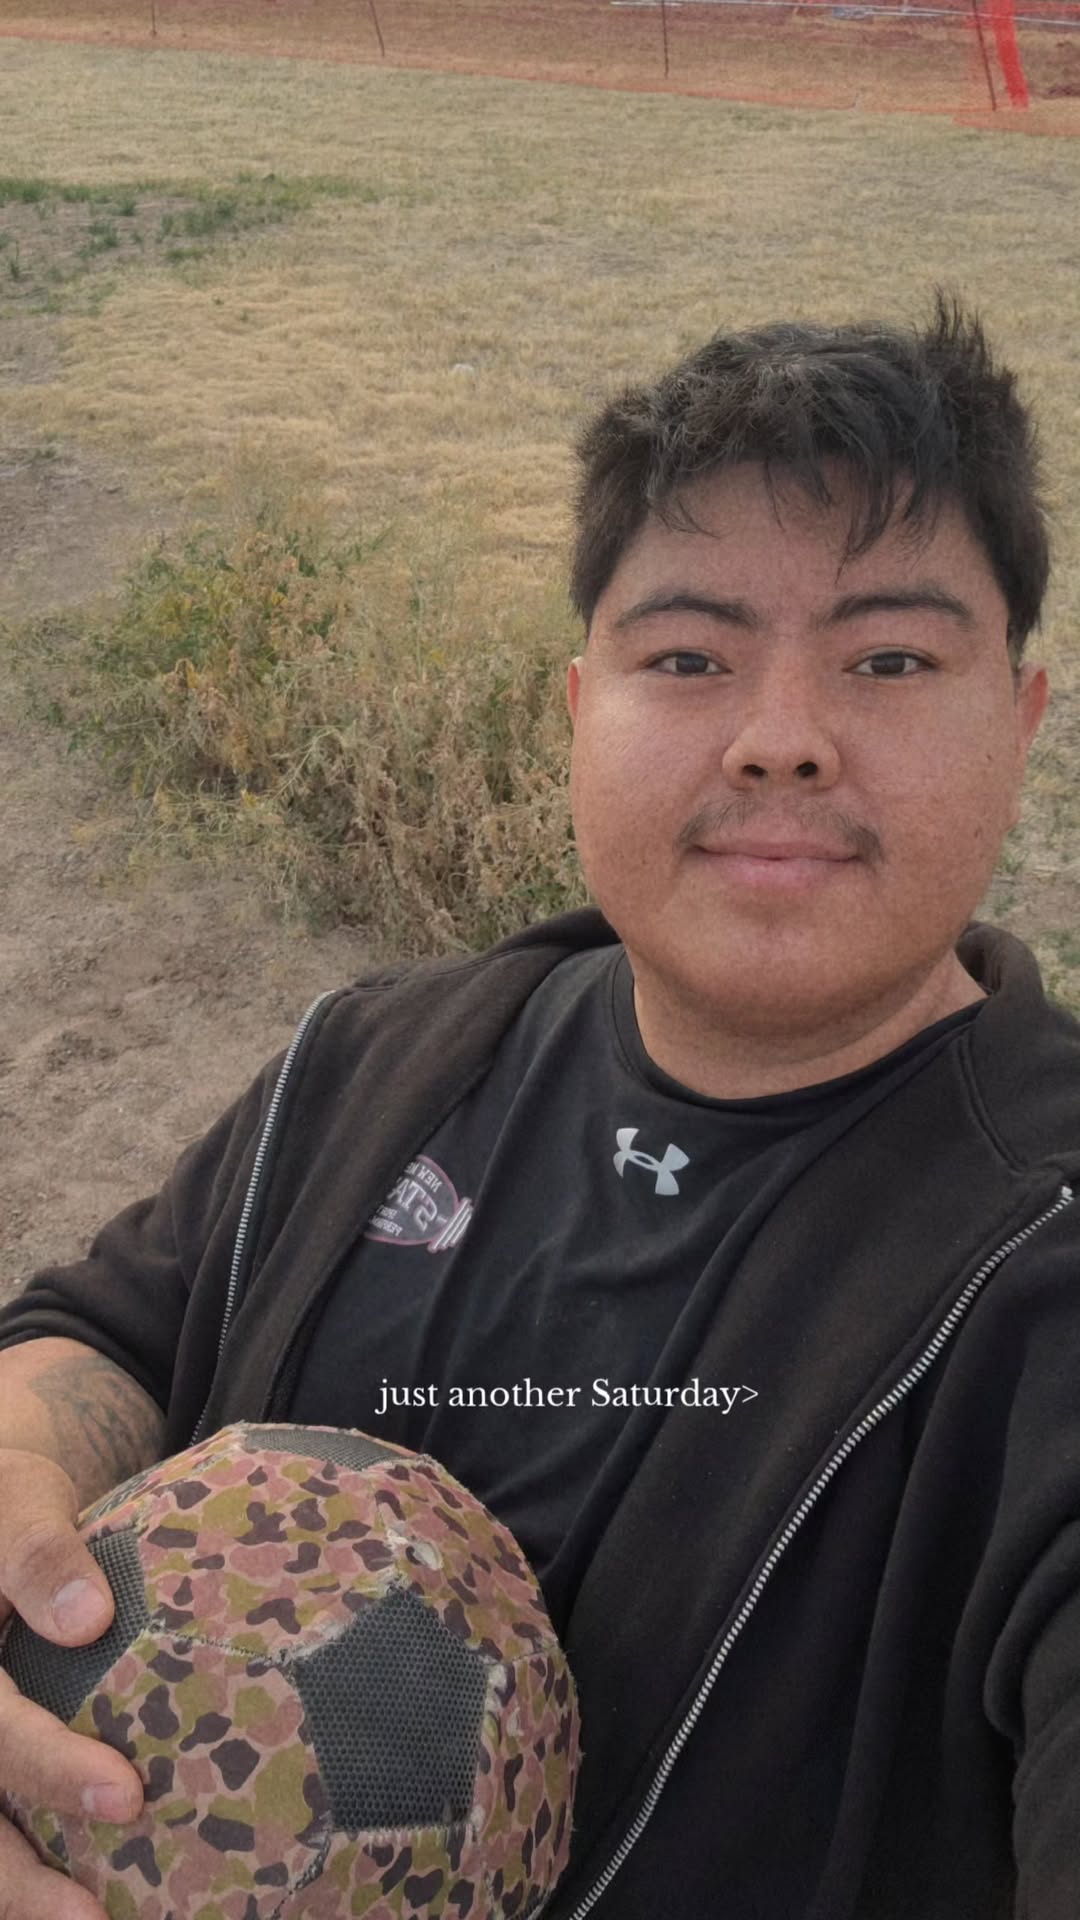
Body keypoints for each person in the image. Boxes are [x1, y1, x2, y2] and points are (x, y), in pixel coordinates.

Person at [0, 283, 1076, 1920]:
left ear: (1019, 721)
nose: (782, 740)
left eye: (889, 657)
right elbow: (110, 1329)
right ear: (581, 711)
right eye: (690, 656)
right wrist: (23, 1481)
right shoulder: (382, 1059)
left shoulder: (1044, 1279)